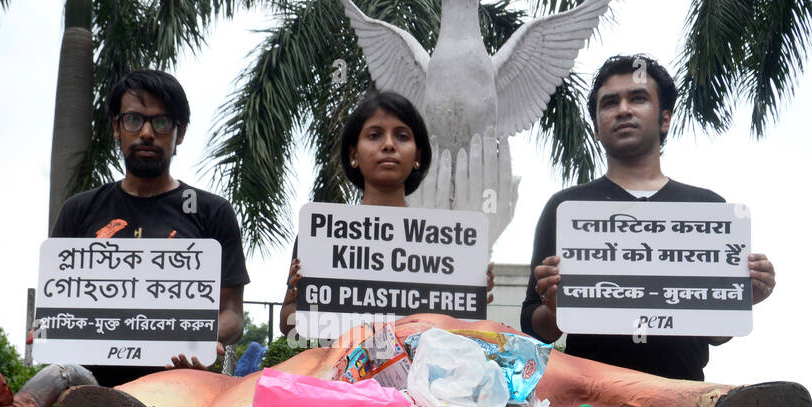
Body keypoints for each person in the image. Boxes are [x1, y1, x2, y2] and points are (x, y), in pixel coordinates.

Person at [520, 54, 776, 381]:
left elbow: (717, 335)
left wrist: (744, 298)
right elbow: (535, 326)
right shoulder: (565, 206)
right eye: (609, 103)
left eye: (638, 99)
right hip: (591, 406)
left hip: (682, 397)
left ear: (665, 119)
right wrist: (557, 308)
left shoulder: (708, 209)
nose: (623, 109)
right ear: (597, 127)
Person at [50, 69, 249, 384]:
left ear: (179, 133)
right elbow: (60, 307)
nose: (146, 132)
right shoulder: (78, 211)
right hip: (91, 395)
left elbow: (232, 315)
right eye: (133, 120)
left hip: (181, 389)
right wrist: (49, 328)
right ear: (117, 127)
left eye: (161, 122)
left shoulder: (213, 213)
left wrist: (204, 339)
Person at [280, 90, 492, 336]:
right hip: (341, 373)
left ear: (418, 157)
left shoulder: (448, 242)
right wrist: (300, 296)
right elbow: (289, 324)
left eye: (402, 136)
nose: (389, 144)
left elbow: (457, 330)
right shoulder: (319, 235)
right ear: (353, 155)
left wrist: (470, 298)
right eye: (374, 135)